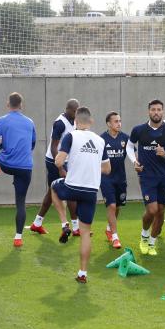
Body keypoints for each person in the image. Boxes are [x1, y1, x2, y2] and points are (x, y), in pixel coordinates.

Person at [50, 107, 110, 283]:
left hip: (72, 186)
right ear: (91, 121)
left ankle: (64, 223)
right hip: (91, 191)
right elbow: (107, 169)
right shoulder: (100, 141)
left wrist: (69, 163)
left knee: (54, 187)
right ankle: (83, 273)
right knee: (85, 233)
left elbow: (59, 161)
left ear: (75, 122)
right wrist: (90, 166)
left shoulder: (71, 136)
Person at [127, 99, 165, 256]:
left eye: (159, 110)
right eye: (153, 110)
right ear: (148, 111)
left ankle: (152, 242)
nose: (156, 112)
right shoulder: (139, 130)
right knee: (152, 209)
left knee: (161, 212)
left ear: (163, 112)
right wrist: (134, 161)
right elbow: (129, 146)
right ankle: (144, 236)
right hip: (147, 176)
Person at [0, 92, 36, 248]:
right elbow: (32, 145)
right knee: (20, 202)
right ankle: (18, 237)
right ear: (21, 105)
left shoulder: (1, 121)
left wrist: (1, 142)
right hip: (25, 166)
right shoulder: (30, 122)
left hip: (7, 165)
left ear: (8, 104)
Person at [30, 99, 80, 236]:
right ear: (68, 109)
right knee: (69, 191)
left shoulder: (73, 121)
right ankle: (75, 228)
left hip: (65, 161)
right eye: (75, 111)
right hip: (54, 161)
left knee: (52, 194)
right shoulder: (59, 123)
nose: (76, 114)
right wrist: (60, 167)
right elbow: (53, 147)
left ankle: (37, 223)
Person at [100, 112, 128, 249]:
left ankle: (108, 228)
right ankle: (115, 237)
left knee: (117, 207)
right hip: (106, 179)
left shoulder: (125, 138)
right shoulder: (101, 139)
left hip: (121, 178)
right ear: (109, 124)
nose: (119, 123)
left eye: (120, 121)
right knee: (111, 206)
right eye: (116, 121)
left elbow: (133, 155)